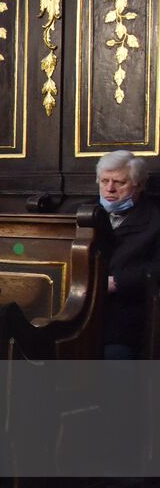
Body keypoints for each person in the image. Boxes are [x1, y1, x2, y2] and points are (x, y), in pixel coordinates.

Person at [95, 150, 160, 359]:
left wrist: (119, 282)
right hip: (83, 306)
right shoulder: (84, 212)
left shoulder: (155, 219)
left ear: (138, 185)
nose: (109, 189)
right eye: (104, 181)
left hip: (128, 313)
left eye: (119, 182)